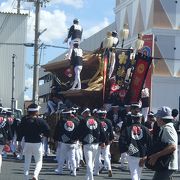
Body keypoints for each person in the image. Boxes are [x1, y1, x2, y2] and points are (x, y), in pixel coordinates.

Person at [17, 103, 50, 180]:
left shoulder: (24, 120)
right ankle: (35, 175)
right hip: (37, 143)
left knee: (27, 161)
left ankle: (26, 177)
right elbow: (48, 130)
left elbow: (20, 132)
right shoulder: (40, 120)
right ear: (35, 111)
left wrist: (18, 144)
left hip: (27, 143)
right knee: (39, 162)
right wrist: (43, 135)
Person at [147, 106, 178, 180]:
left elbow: (172, 146)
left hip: (167, 165)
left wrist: (156, 156)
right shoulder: (166, 128)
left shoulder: (167, 129)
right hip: (166, 164)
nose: (156, 120)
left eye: (157, 118)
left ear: (161, 119)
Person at [119, 112, 152, 180]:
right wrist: (148, 154)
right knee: (138, 173)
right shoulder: (145, 129)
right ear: (140, 119)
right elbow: (149, 142)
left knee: (134, 172)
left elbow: (122, 140)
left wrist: (127, 149)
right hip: (142, 153)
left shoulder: (127, 128)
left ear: (132, 119)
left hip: (132, 152)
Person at [77, 108, 106, 180]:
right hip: (96, 143)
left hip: (87, 143)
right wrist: (103, 141)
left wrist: (79, 139)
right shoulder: (97, 120)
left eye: (83, 114)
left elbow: (78, 132)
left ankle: (91, 177)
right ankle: (88, 176)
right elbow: (102, 132)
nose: (83, 115)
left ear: (85, 113)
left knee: (89, 161)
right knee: (92, 161)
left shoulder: (83, 121)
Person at [94, 109, 114, 177]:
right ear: (105, 115)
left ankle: (96, 171)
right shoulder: (109, 121)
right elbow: (111, 132)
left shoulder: (96, 121)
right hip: (107, 141)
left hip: (98, 141)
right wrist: (111, 139)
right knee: (106, 156)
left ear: (98, 115)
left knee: (97, 156)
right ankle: (109, 168)